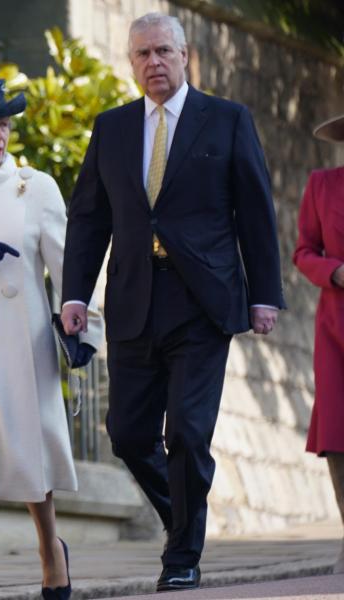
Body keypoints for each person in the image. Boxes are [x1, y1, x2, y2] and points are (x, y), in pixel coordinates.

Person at [60, 12, 285, 592]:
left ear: (185, 56)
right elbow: (89, 219)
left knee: (187, 432)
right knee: (128, 436)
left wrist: (265, 295)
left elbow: (255, 214)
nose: (153, 63)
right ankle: (183, 518)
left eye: (163, 51)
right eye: (142, 54)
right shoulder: (111, 128)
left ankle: (181, 555)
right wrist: (74, 295)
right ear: (130, 63)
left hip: (202, 301)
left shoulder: (227, 121)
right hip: (134, 298)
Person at [0, 79, 103, 600]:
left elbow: (69, 268)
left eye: (3, 124)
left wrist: (82, 329)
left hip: (21, 340)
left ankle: (50, 549)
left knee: (30, 452)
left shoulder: (37, 187)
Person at [293, 113, 344, 574]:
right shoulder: (322, 185)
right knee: (337, 434)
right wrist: (334, 272)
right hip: (336, 328)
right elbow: (304, 250)